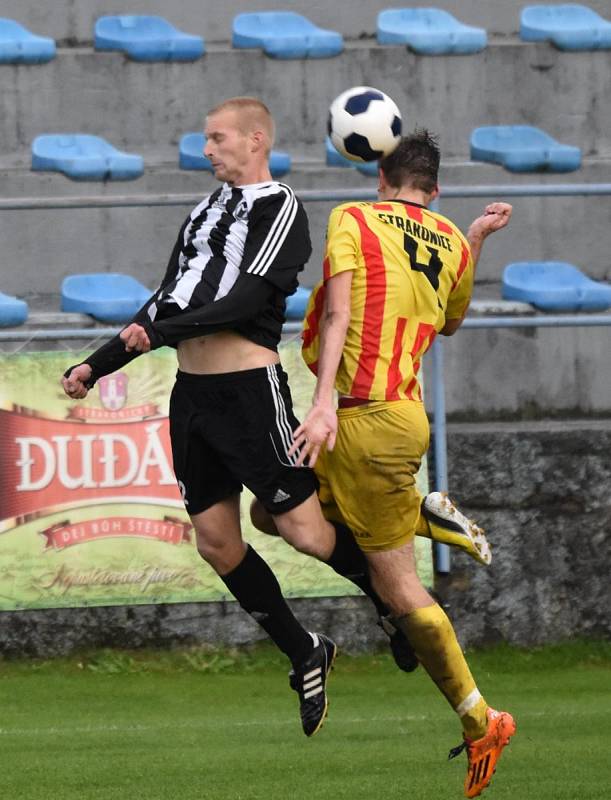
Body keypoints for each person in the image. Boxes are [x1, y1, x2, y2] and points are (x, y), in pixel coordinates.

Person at [61, 96, 412, 737]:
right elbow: (165, 296)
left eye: (218, 138)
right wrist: (98, 363)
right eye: (206, 139)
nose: (208, 149)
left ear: (256, 140)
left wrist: (164, 328)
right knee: (217, 543)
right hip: (191, 399)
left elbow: (248, 297)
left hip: (250, 392)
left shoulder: (280, 207)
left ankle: (392, 604)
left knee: (305, 532)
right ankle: (305, 650)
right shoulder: (201, 211)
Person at [285, 130, 515, 798]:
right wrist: (473, 239)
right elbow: (448, 320)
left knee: (399, 589)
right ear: (434, 189)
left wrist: (322, 400)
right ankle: (427, 516)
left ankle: (481, 718)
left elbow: (337, 310)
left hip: (362, 416)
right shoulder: (445, 236)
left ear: (378, 174)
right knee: (275, 517)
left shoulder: (353, 218)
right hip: (394, 417)